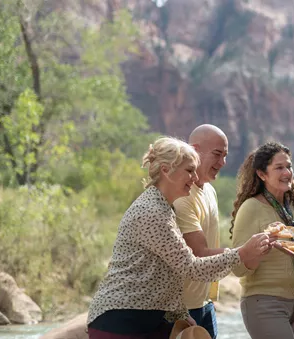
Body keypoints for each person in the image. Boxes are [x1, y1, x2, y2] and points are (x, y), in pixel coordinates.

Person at [86, 136, 271, 339]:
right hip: (121, 321)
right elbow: (190, 267)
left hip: (147, 320)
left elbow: (168, 271)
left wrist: (180, 313)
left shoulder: (165, 208)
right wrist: (241, 254)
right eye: (189, 170)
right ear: (165, 170)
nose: (194, 178)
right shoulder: (151, 212)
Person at [230, 141, 294, 339]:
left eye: (289, 166)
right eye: (279, 167)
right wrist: (258, 250)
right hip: (264, 303)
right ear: (262, 174)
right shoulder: (251, 208)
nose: (287, 172)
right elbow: (237, 266)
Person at [173, 124, 229, 339]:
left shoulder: (210, 191)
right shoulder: (182, 195)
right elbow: (198, 253)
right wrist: (243, 253)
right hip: (181, 308)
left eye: (225, 156)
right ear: (194, 150)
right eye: (217, 154)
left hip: (205, 303)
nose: (222, 163)